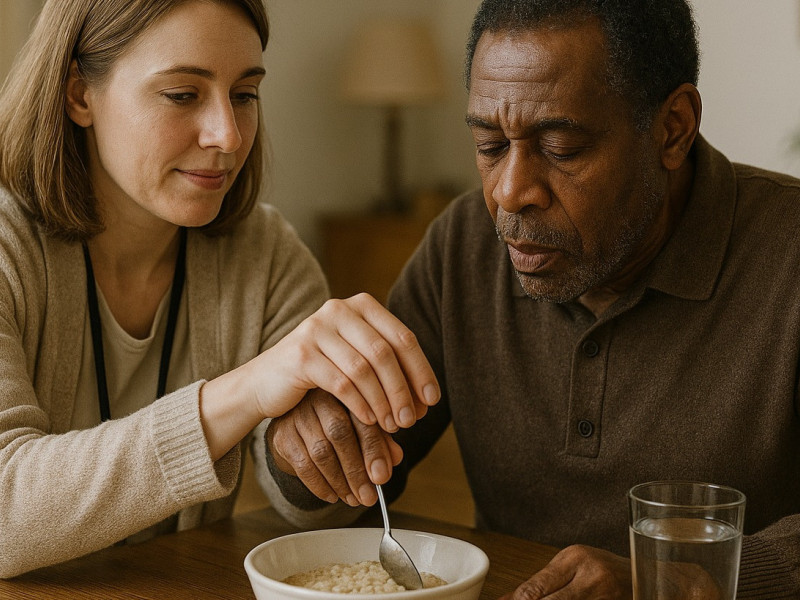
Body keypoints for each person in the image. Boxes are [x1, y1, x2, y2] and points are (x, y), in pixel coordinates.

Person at [261, 0, 800, 597]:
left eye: (562, 149)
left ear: (672, 127)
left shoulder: (789, 255)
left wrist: (676, 583)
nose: (510, 193)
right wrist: (309, 444)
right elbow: (351, 479)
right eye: (490, 146)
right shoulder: (463, 244)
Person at [0, 0, 440, 579]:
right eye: (183, 94)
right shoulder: (10, 248)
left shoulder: (267, 253)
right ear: (80, 94)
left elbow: (306, 511)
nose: (228, 136)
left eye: (244, 95)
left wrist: (307, 445)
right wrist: (248, 391)